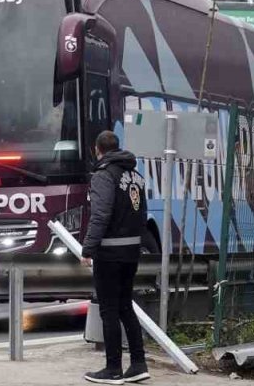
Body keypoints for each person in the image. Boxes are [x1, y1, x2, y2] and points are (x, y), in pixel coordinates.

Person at [81, 130, 148, 384]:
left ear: (97, 150)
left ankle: (113, 369)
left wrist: (88, 248)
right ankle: (138, 364)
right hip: (131, 251)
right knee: (125, 306)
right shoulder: (135, 175)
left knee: (108, 310)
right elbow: (142, 214)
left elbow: (100, 215)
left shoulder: (103, 175)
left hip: (109, 253)